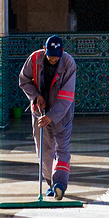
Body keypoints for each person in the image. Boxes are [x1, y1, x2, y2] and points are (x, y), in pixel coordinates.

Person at [18, 34, 77, 199]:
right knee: (44, 148)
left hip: (62, 113)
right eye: (50, 56)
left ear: (62, 52)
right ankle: (50, 183)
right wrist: (36, 96)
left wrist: (51, 116)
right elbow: (24, 80)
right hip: (39, 111)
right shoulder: (35, 58)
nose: (53, 60)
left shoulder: (68, 62)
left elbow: (66, 95)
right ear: (45, 50)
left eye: (56, 58)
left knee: (62, 147)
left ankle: (60, 184)